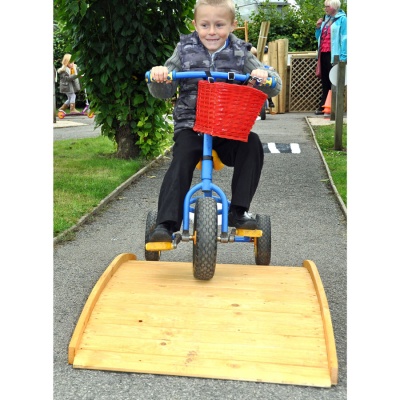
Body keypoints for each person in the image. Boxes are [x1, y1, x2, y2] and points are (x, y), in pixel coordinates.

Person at [146, 0, 282, 242]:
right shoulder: (184, 50)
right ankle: (166, 224)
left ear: (232, 25)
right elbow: (164, 91)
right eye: (205, 25)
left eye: (219, 25)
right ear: (195, 25)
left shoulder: (242, 51)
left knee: (252, 144)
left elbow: (274, 86)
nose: (211, 32)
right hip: (192, 126)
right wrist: (160, 78)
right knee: (182, 156)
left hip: (228, 126)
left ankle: (238, 210)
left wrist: (264, 76)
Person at [314, 0, 347, 115]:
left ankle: (334, 108)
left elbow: (344, 38)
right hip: (323, 53)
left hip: (335, 55)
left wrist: (343, 57)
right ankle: (324, 106)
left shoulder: (342, 19)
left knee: (334, 80)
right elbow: (319, 38)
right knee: (325, 81)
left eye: (326, 6)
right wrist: (318, 28)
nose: (325, 9)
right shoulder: (326, 19)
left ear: (333, 7)